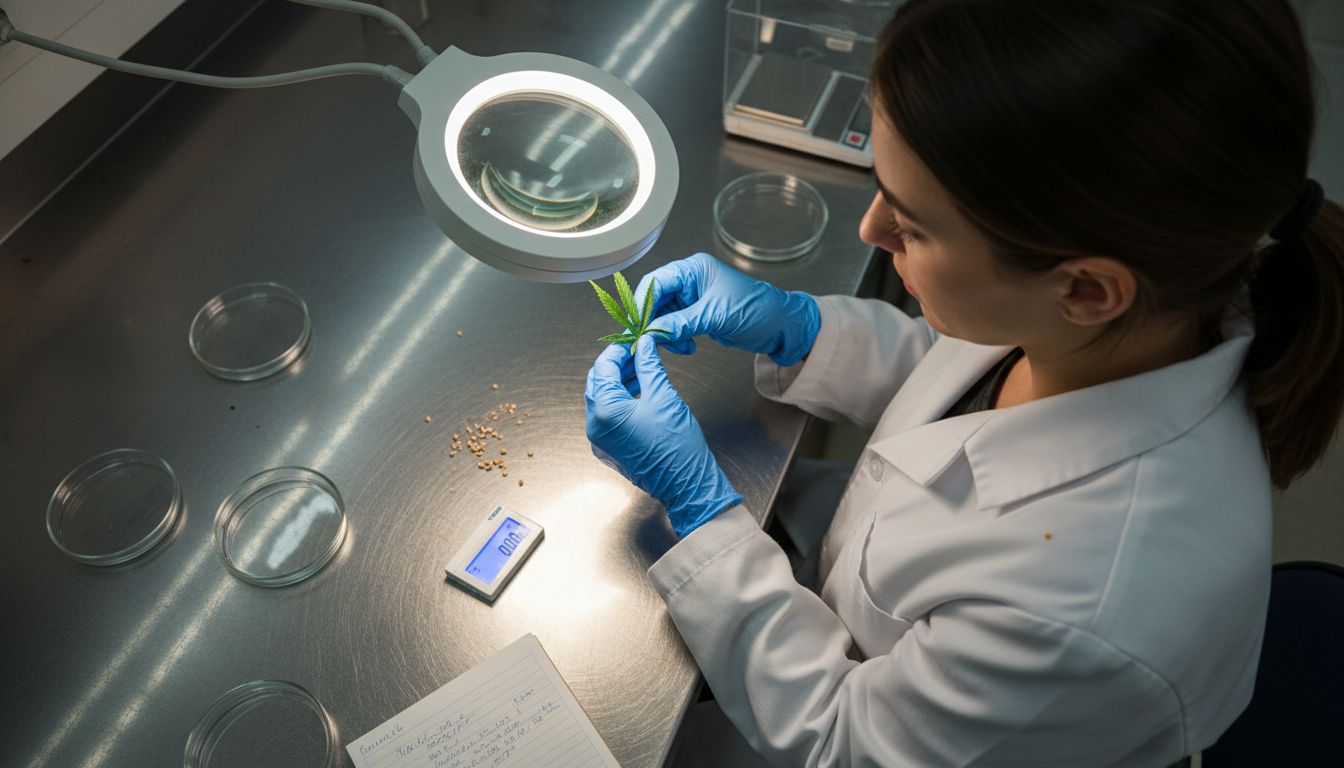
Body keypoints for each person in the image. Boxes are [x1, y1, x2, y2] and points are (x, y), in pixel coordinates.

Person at [584, 0, 1344, 764]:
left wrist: (703, 514)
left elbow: (845, 742)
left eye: (912, 226)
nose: (870, 231)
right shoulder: (1147, 309)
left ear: (1086, 290)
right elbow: (958, 380)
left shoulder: (1086, 612)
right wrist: (801, 330)